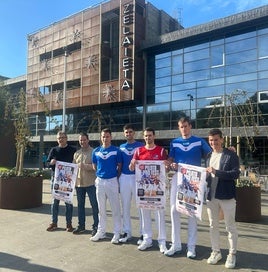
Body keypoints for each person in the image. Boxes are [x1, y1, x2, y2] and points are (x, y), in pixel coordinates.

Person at [165, 116, 211, 258]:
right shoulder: (175, 142)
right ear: (179, 128)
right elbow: (171, 159)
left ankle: (191, 247)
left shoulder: (199, 141)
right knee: (174, 210)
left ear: (190, 126)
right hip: (178, 179)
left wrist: (227, 151)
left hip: (194, 182)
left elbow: (212, 154)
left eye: (185, 126)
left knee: (191, 213)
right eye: (181, 127)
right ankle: (176, 244)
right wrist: (169, 164)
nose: (184, 129)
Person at [129, 127, 168, 253]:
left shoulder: (161, 151)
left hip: (157, 189)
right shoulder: (138, 151)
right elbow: (131, 168)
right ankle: (147, 239)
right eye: (145, 136)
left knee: (159, 215)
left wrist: (167, 166)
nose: (148, 138)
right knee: (145, 214)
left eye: (150, 135)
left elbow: (165, 169)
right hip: (144, 189)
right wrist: (132, 164)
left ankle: (162, 241)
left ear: (154, 136)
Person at [205, 128, 239, 269]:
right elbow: (207, 176)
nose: (214, 142)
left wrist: (216, 172)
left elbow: (235, 174)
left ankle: (232, 254)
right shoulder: (208, 156)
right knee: (213, 225)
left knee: (230, 226)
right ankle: (216, 251)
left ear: (222, 140)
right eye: (211, 140)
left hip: (227, 196)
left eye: (216, 140)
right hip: (211, 197)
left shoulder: (231, 155)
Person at [90, 128, 122, 244]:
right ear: (101, 137)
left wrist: (113, 177)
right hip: (100, 181)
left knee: (115, 209)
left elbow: (119, 166)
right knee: (101, 209)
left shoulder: (116, 151)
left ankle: (117, 232)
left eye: (107, 136)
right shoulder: (96, 151)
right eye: (103, 136)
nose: (105, 138)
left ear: (111, 137)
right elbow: (94, 166)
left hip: (112, 181)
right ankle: (101, 231)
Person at [46, 131, 76, 232]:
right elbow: (47, 164)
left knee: (68, 202)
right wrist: (51, 162)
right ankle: (54, 222)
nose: (61, 139)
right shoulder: (54, 150)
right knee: (55, 202)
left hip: (68, 181)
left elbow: (76, 163)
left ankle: (69, 224)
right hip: (56, 180)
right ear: (57, 139)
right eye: (59, 138)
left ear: (66, 138)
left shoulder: (72, 150)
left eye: (63, 137)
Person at [118, 124, 144, 243]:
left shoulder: (140, 146)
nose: (128, 134)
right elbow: (119, 164)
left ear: (134, 133)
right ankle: (127, 232)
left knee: (141, 206)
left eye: (130, 132)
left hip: (137, 178)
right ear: (124, 133)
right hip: (124, 177)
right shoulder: (121, 147)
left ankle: (143, 233)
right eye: (126, 132)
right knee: (125, 206)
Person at [72, 132, 99, 236]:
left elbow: (95, 166)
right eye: (80, 140)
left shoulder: (94, 152)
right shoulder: (76, 153)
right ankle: (81, 225)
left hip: (91, 183)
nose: (82, 142)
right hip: (79, 184)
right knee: (80, 206)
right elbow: (74, 168)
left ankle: (96, 226)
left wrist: (85, 166)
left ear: (88, 140)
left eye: (84, 140)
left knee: (94, 206)